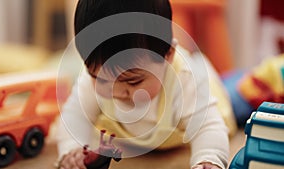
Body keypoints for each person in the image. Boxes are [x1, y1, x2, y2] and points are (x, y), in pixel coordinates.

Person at [56, 0, 236, 168]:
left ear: (168, 56)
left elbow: (208, 127)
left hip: (201, 94)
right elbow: (73, 117)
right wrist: (71, 149)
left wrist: (208, 159)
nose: (116, 92)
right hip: (139, 137)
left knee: (230, 98)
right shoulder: (94, 76)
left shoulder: (183, 78)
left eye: (133, 81)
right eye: (101, 79)